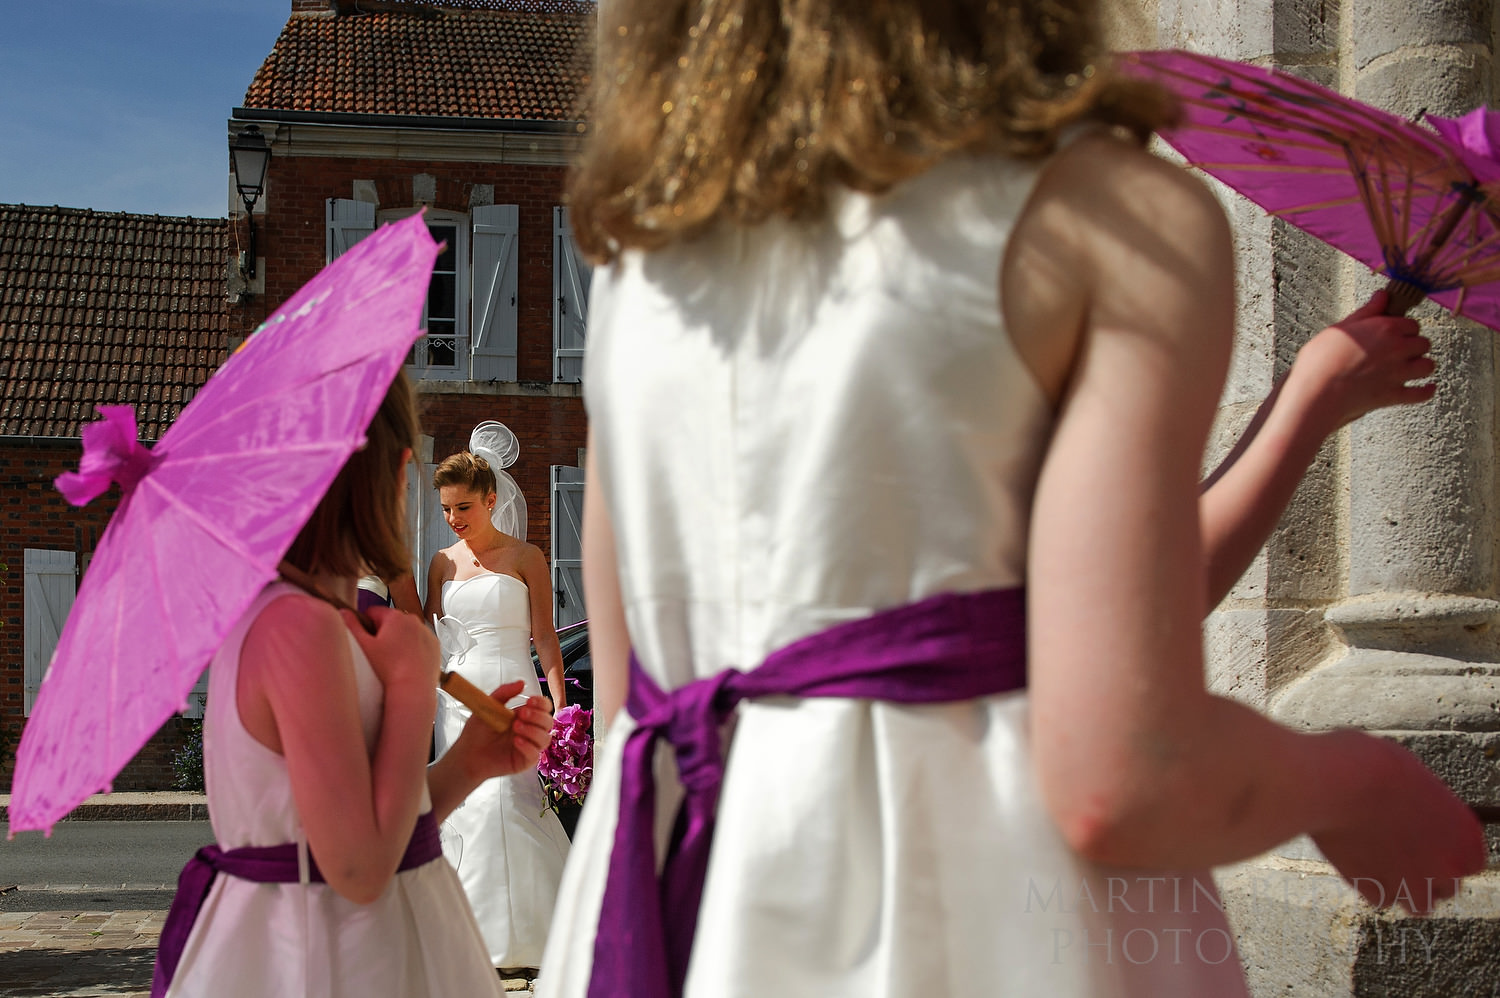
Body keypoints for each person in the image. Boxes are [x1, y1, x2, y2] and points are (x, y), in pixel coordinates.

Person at [537, 3, 1487, 997]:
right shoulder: (1106, 216)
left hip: (682, 899)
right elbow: (1119, 772)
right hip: (968, 902)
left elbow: (625, 715)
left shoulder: (641, 253)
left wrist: (1302, 402)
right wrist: (1349, 778)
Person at [154, 371, 556, 998]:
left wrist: (470, 762)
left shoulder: (311, 617)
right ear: (400, 472)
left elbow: (379, 813)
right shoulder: (299, 630)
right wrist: (409, 687)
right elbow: (362, 867)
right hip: (324, 956)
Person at [424, 446, 571, 973]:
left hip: (518, 690)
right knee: (466, 808)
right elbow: (430, 643)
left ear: (491, 500)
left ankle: (536, 939)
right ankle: (470, 941)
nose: (453, 519)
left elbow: (547, 640)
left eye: (463, 507)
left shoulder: (526, 557)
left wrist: (561, 704)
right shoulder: (441, 563)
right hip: (459, 700)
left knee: (514, 800)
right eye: (445, 509)